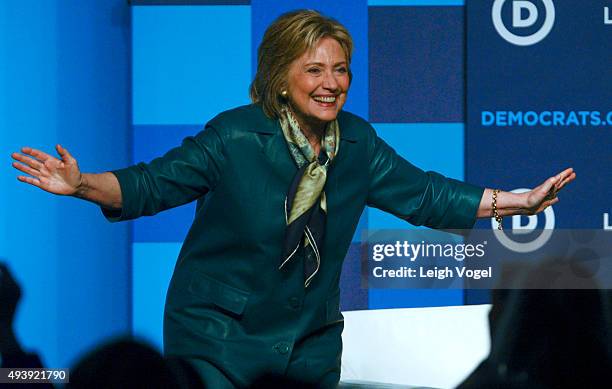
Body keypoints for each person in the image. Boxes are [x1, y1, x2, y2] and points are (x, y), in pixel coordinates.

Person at [11, 9, 575, 388]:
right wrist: (82, 183)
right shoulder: (234, 136)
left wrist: (518, 203)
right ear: (281, 79)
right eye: (314, 70)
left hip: (309, 341)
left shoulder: (356, 142)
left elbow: (425, 193)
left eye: (341, 69)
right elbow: (149, 185)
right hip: (218, 339)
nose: (332, 82)